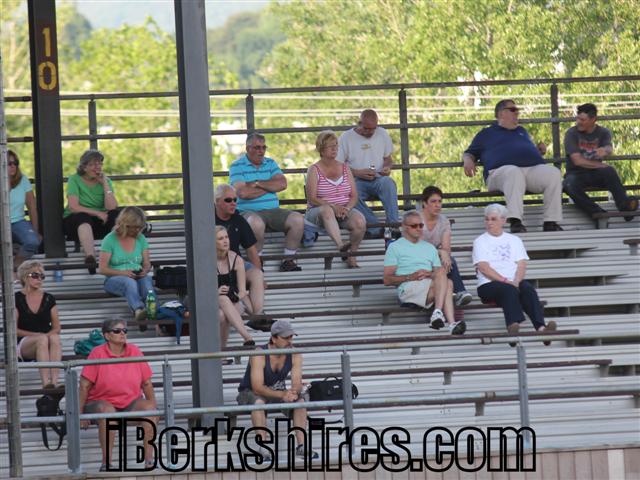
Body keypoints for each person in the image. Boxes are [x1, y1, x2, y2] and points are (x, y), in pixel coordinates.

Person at [462, 99, 563, 233]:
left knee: (553, 173)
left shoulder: (522, 131)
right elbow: (469, 153)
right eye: (513, 110)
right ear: (501, 113)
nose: (517, 113)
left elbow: (521, 150)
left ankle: (551, 222)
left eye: (517, 110)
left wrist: (537, 151)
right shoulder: (486, 133)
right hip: (499, 173)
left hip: (528, 170)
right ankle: (515, 221)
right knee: (513, 172)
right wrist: (467, 160)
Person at [79, 318, 157, 471]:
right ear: (107, 335)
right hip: (100, 403)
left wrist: (154, 408)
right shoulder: (97, 353)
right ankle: (106, 463)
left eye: (125, 331)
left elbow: (147, 383)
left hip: (130, 403)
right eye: (117, 331)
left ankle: (149, 461)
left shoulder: (134, 350)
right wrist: (80, 414)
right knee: (108, 411)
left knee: (149, 410)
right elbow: (84, 385)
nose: (122, 333)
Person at [472, 204, 557, 344]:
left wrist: (516, 281)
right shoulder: (480, 241)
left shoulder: (515, 240)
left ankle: (542, 329)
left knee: (528, 289)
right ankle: (512, 328)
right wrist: (506, 281)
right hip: (488, 284)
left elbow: (522, 264)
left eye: (493, 219)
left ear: (503, 220)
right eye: (487, 219)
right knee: (509, 290)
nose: (489, 222)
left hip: (512, 282)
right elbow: (484, 268)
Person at [236, 320, 318, 461]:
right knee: (258, 402)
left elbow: (296, 382)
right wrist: (283, 394)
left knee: (300, 402)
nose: (290, 341)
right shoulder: (259, 353)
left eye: (291, 337)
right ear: (273, 338)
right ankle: (263, 447)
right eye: (285, 338)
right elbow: (257, 387)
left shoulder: (295, 353)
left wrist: (294, 392)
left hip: (276, 391)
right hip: (249, 392)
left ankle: (302, 447)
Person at [229, 133, 304, 272]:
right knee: (255, 223)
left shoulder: (270, 163)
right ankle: (258, 262)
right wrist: (270, 187)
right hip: (248, 211)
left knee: (298, 219)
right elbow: (243, 193)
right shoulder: (237, 166)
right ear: (248, 148)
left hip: (273, 211)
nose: (261, 151)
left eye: (264, 147)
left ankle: (288, 260)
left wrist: (257, 183)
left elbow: (282, 184)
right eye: (257, 147)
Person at [383, 211, 466, 335]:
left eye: (421, 225)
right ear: (404, 227)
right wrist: (411, 276)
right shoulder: (395, 247)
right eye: (414, 226)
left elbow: (438, 274)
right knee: (448, 283)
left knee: (446, 280)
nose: (419, 228)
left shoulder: (430, 247)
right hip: (408, 287)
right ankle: (446, 319)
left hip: (429, 285)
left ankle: (443, 317)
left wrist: (429, 274)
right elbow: (387, 280)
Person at [563, 103, 638, 220]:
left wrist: (606, 150)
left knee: (610, 171)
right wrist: (600, 165)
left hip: (596, 173)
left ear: (593, 119)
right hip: (576, 174)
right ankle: (597, 213)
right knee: (568, 184)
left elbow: (608, 147)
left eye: (582, 120)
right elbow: (577, 161)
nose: (578, 122)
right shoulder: (571, 133)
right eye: (578, 119)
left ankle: (625, 207)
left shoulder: (603, 132)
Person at [305, 131, 366, 268]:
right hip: (318, 211)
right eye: (330, 146)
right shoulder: (314, 170)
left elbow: (354, 196)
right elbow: (312, 198)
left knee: (360, 222)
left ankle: (352, 256)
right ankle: (341, 246)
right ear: (321, 149)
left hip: (343, 209)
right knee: (326, 210)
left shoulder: (345, 168)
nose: (334, 149)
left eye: (336, 145)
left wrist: (347, 209)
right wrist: (333, 206)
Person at [337, 109, 400, 238]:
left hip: (378, 178)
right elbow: (338, 166)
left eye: (373, 129)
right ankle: (375, 227)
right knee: (349, 193)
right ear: (359, 123)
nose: (370, 132)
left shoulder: (382, 134)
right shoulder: (346, 137)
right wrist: (357, 173)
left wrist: (387, 167)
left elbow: (388, 159)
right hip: (356, 181)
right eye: (366, 129)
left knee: (389, 183)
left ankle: (393, 225)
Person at [63, 149, 120, 274]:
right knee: (82, 217)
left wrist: (105, 184)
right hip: (77, 222)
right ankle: (90, 257)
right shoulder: (74, 179)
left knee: (116, 216)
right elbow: (73, 207)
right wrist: (97, 213)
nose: (97, 167)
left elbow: (111, 207)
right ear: (84, 167)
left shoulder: (106, 181)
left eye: (100, 163)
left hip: (99, 222)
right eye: (93, 164)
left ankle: (116, 254)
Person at [98, 207, 155, 331]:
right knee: (129, 282)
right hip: (114, 278)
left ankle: (153, 311)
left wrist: (145, 270)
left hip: (136, 275)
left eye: (140, 227)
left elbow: (147, 263)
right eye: (134, 227)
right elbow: (102, 269)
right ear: (125, 225)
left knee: (146, 282)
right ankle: (138, 310)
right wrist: (123, 273)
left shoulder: (141, 238)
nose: (137, 230)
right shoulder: (109, 239)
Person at [214, 183, 265, 315]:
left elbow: (251, 250)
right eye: (228, 200)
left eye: (235, 200)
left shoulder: (239, 220)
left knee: (257, 274)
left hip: (237, 265)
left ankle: (258, 315)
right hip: (216, 267)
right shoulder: (206, 220)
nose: (233, 203)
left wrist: (261, 275)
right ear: (217, 201)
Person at [418, 186, 472, 307]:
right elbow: (417, 248)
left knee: (449, 260)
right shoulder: (416, 219)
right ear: (424, 203)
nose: (437, 205)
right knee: (445, 259)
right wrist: (440, 252)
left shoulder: (443, 221)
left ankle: (458, 293)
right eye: (433, 201)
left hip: (435, 259)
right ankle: (459, 292)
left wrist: (443, 253)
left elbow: (446, 249)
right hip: (416, 259)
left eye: (439, 201)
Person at [15, 260, 61, 389]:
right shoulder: (16, 298)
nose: (39, 279)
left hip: (46, 339)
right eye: (35, 275)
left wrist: (46, 336)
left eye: (42, 276)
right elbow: (14, 330)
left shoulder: (49, 298)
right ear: (25, 276)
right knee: (42, 339)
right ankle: (46, 383)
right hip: (24, 343)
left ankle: (54, 382)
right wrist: (37, 335)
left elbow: (57, 327)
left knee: (55, 338)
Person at [215, 225, 255, 353]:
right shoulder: (206, 261)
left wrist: (236, 297)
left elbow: (242, 291)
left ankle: (222, 354)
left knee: (223, 315)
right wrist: (215, 292)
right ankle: (247, 337)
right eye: (220, 238)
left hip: (234, 301)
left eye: (226, 237)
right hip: (211, 301)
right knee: (222, 299)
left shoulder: (236, 259)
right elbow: (200, 291)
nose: (225, 241)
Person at [7, 150, 41, 268]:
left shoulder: (23, 180)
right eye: (9, 163)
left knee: (33, 241)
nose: (13, 166)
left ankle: (15, 266)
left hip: (18, 222)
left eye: (15, 163)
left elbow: (32, 207)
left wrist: (35, 230)